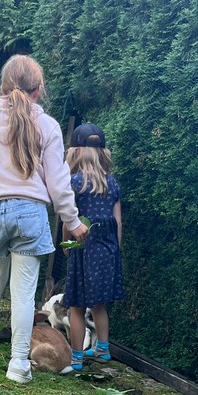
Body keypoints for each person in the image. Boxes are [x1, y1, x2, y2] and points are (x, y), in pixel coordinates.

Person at [0, 55, 89, 384]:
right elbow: (58, 183)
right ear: (38, 90)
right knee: (23, 292)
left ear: (3, 86)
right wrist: (73, 222)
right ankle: (18, 363)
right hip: (30, 213)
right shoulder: (48, 126)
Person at [62, 123, 124, 372]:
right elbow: (117, 221)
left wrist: (67, 245)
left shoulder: (74, 182)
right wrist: (115, 250)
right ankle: (103, 348)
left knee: (77, 305)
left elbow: (69, 221)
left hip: (82, 250)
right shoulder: (112, 183)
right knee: (99, 304)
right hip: (107, 250)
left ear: (75, 153)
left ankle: (76, 358)